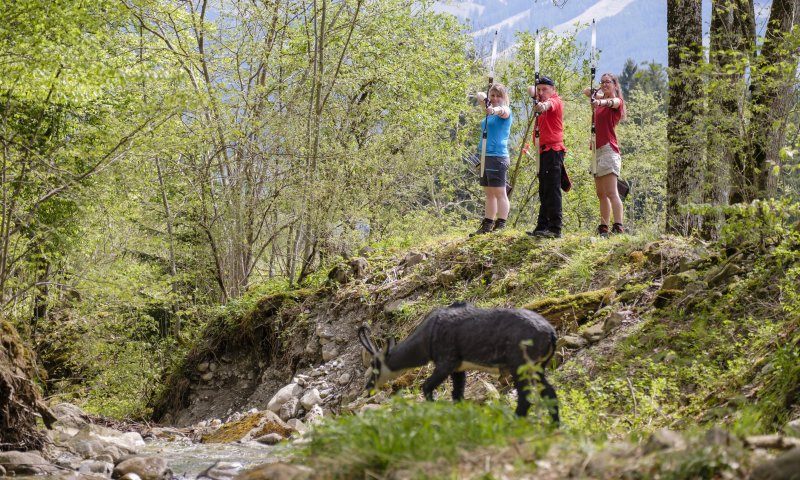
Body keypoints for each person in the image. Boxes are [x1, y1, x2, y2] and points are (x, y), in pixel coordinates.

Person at [584, 73, 626, 237]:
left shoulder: (616, 102)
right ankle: (603, 227)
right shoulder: (600, 99)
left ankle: (618, 225)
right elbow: (586, 91)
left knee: (611, 192)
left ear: (615, 85)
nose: (604, 84)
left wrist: (599, 100)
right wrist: (597, 92)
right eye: (602, 82)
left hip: (609, 149)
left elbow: (612, 102)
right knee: (601, 193)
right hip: (596, 149)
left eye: (608, 82)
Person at [470, 83, 513, 237]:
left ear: (504, 97)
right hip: (485, 156)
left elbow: (503, 110)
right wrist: (487, 100)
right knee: (489, 193)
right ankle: (487, 224)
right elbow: (479, 94)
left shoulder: (505, 111)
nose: (495, 99)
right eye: (493, 95)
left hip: (497, 156)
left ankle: (501, 223)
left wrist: (494, 108)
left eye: (498, 96)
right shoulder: (488, 111)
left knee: (500, 192)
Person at [526, 75, 566, 238]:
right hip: (543, 151)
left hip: (553, 150)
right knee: (544, 189)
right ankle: (542, 226)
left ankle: (555, 228)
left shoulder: (555, 101)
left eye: (545, 89)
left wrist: (541, 104)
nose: (542, 92)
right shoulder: (539, 97)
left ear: (553, 90)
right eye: (539, 89)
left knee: (552, 189)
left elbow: (548, 105)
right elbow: (530, 89)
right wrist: (536, 94)